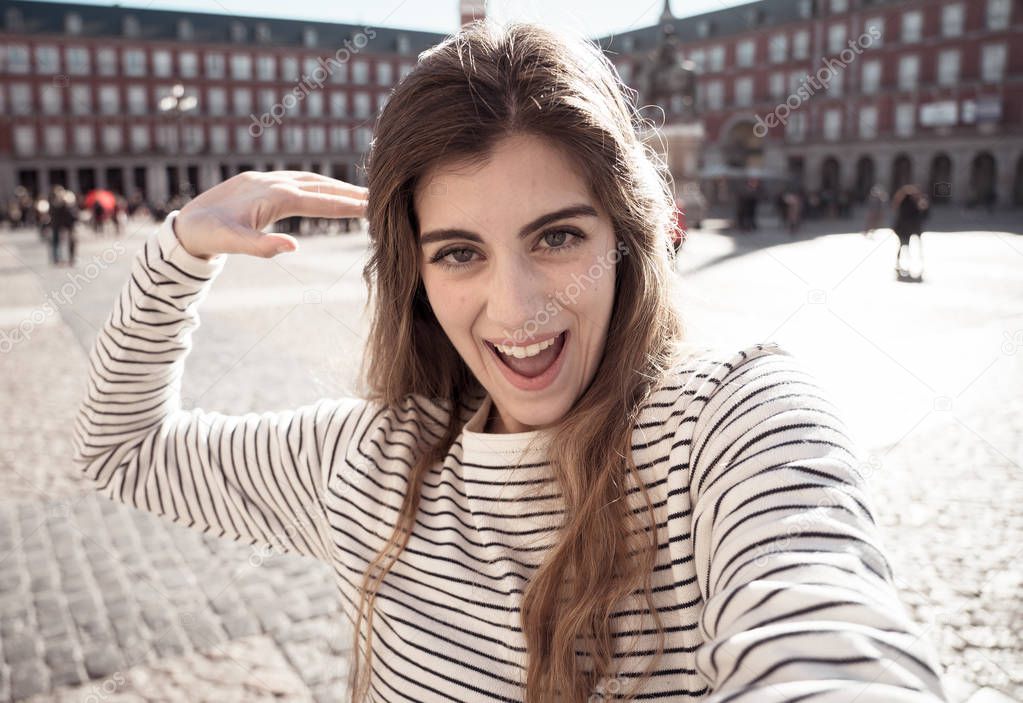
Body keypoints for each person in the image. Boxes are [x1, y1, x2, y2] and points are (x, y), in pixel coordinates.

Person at [72, 21, 950, 703]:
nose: (517, 306)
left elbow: (829, 637)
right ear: (415, 273)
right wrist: (178, 251)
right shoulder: (365, 463)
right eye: (459, 252)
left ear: (628, 239)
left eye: (558, 236)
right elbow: (121, 449)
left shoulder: (730, 423)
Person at [892, 184, 929, 279]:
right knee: (904, 247)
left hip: (905, 230)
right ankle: (901, 265)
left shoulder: (906, 203)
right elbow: (920, 216)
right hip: (906, 230)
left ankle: (900, 264)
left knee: (903, 247)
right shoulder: (909, 204)